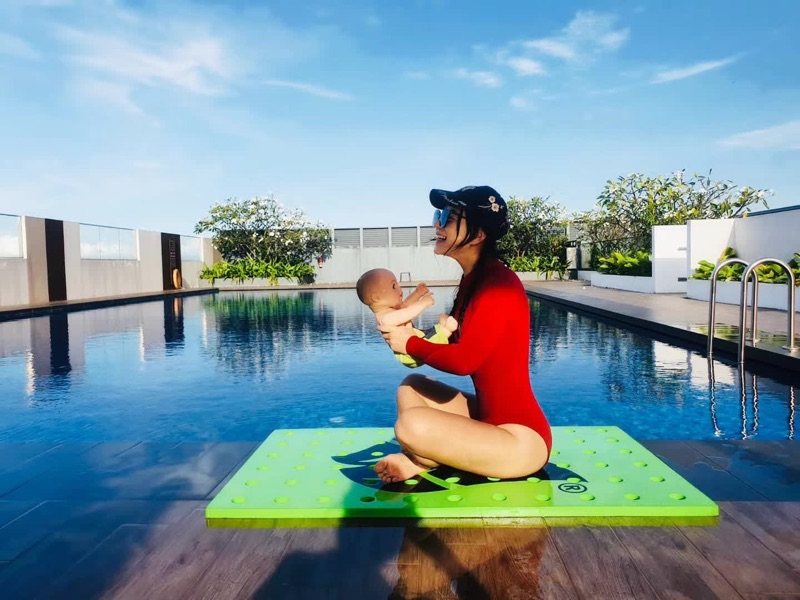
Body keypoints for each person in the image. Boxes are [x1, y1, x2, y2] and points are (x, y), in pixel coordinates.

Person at [374, 185, 552, 483]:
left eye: (448, 217)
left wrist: (412, 343)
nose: (437, 224)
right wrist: (405, 330)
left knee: (411, 426)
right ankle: (426, 459)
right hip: (488, 420)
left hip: (521, 442)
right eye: (438, 214)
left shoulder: (498, 286)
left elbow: (465, 360)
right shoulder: (474, 280)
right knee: (412, 386)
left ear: (478, 235)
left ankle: (422, 457)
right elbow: (453, 342)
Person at [356, 268, 459, 368]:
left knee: (432, 333)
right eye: (393, 286)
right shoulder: (385, 319)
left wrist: (417, 293)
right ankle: (446, 331)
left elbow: (405, 306)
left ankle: (443, 329)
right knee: (436, 338)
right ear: (376, 297)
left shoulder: (391, 312)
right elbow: (408, 312)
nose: (400, 290)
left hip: (415, 340)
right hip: (408, 354)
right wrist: (424, 303)